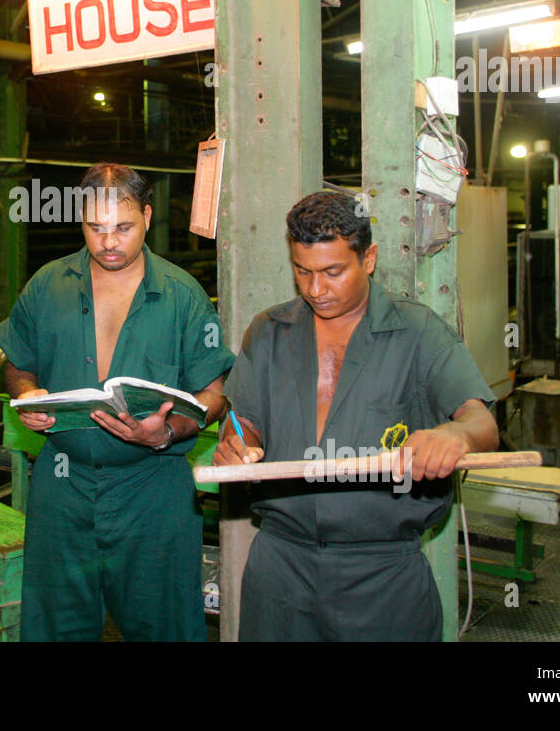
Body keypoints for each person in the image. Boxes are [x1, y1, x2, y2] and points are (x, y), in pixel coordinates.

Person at [213, 190, 498, 641]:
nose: (315, 289)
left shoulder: (418, 332)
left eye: (332, 272)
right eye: (302, 272)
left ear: (369, 258)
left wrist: (455, 437)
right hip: (281, 568)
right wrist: (236, 444)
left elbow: (481, 422)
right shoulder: (269, 332)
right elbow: (243, 419)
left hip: (382, 575)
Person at [0, 163, 234, 641]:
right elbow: (18, 361)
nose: (108, 242)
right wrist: (27, 393)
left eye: (122, 228)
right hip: (63, 487)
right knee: (55, 625)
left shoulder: (181, 296)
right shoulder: (47, 285)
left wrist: (166, 432)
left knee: (163, 624)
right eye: (95, 228)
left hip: (153, 490)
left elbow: (215, 397)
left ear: (147, 216)